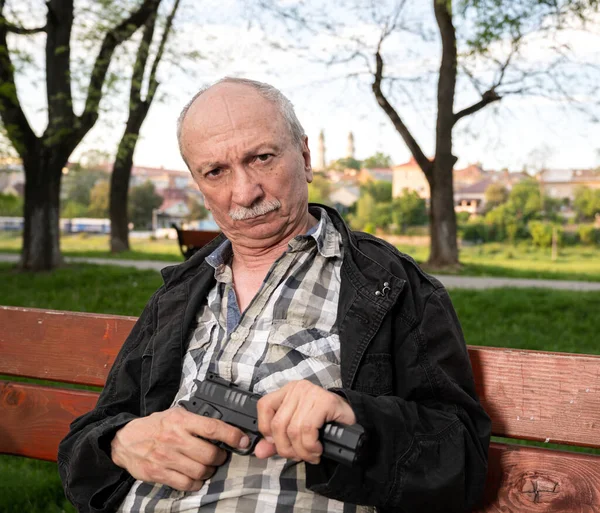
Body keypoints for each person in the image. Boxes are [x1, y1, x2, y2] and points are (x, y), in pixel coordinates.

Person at [58, 77, 491, 513]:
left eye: (261, 158)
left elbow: (460, 460)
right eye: (216, 172)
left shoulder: (389, 284)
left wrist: (354, 419)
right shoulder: (179, 292)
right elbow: (85, 441)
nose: (245, 192)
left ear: (304, 157)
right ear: (198, 184)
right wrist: (119, 443)